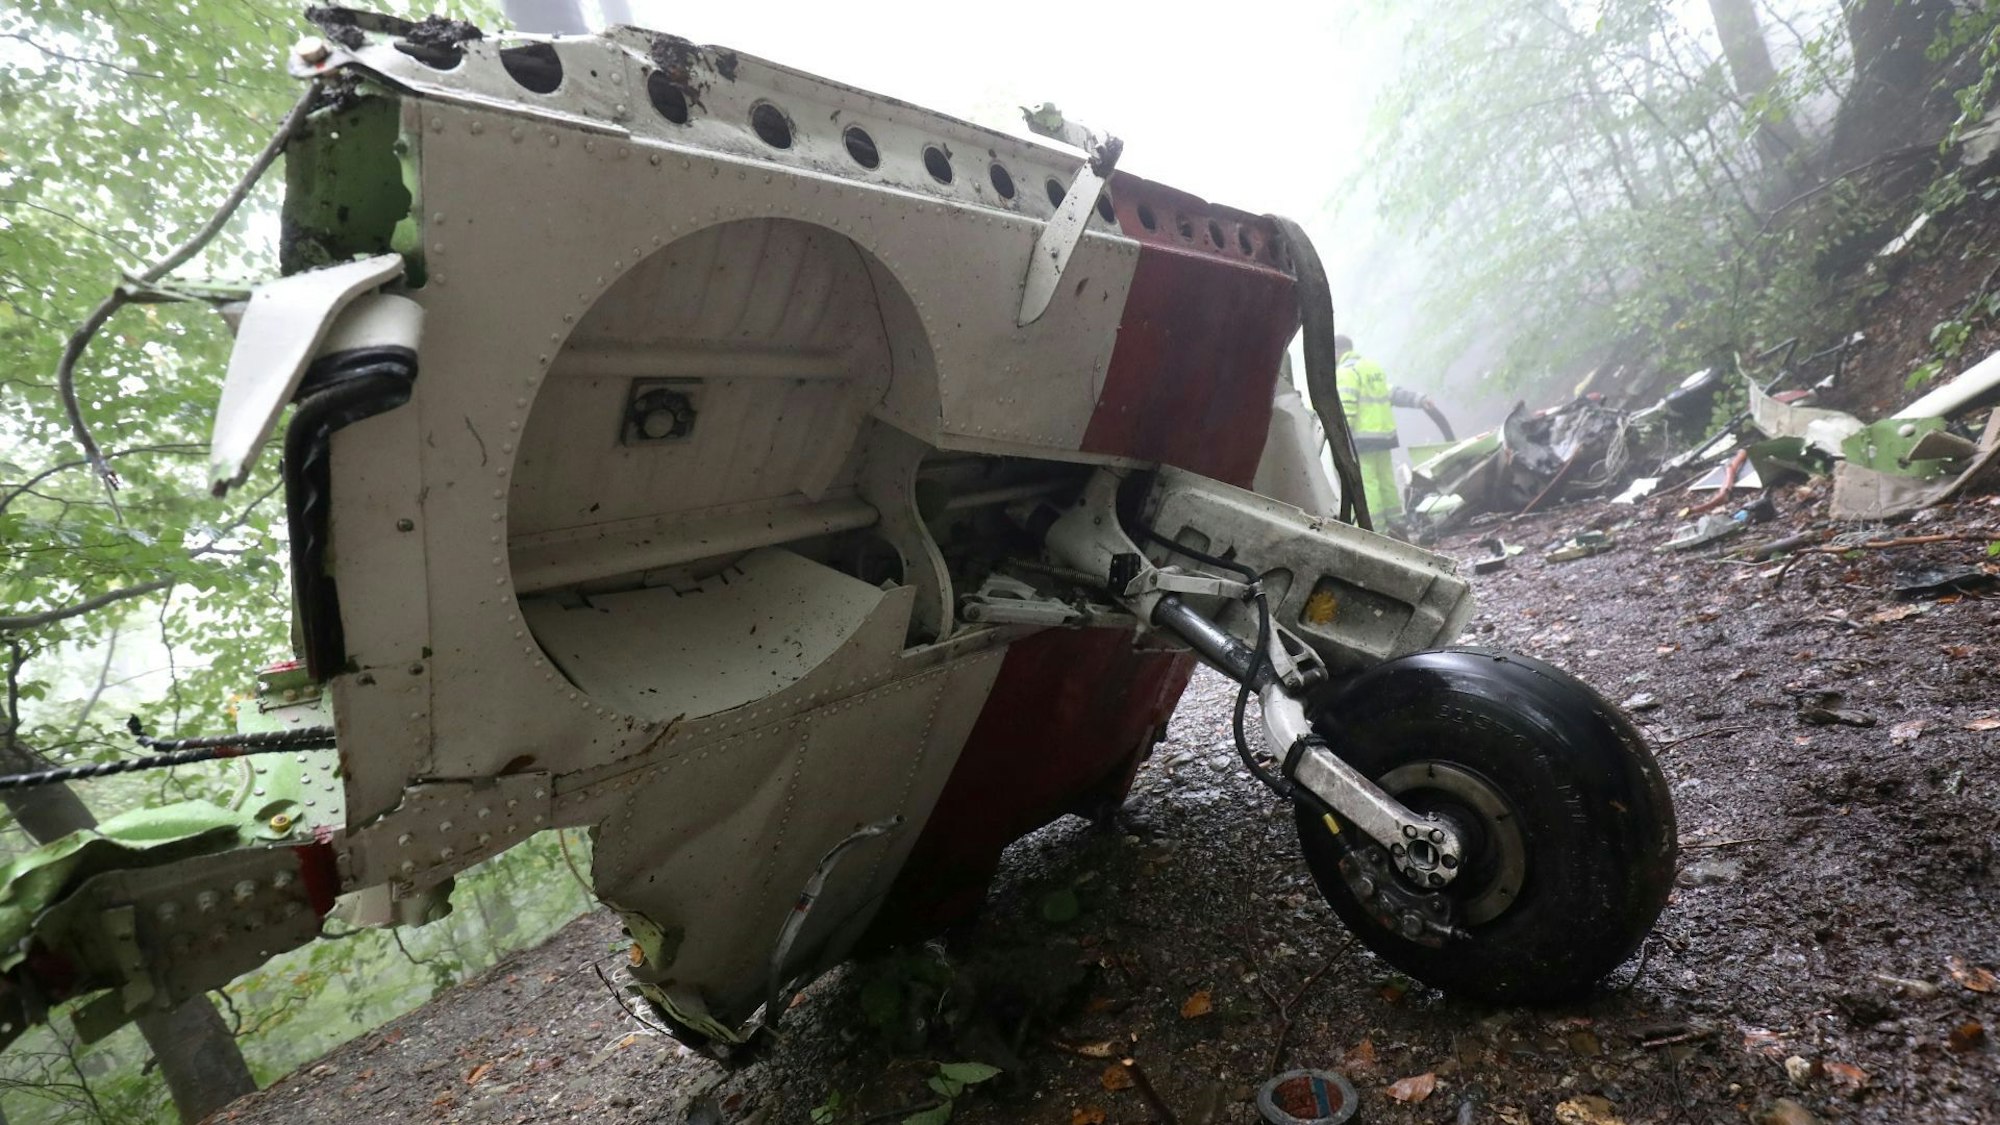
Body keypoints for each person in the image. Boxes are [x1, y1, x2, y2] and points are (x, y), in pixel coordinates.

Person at [1333, 334, 1437, 521]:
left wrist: (1338, 438)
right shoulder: (1371, 368)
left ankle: (1375, 529)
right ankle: (1397, 523)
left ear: (1337, 351)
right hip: (1384, 437)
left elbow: (1347, 408)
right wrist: (1419, 399)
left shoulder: (1345, 372)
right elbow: (1393, 393)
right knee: (1386, 481)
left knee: (1368, 483)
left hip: (1362, 440)